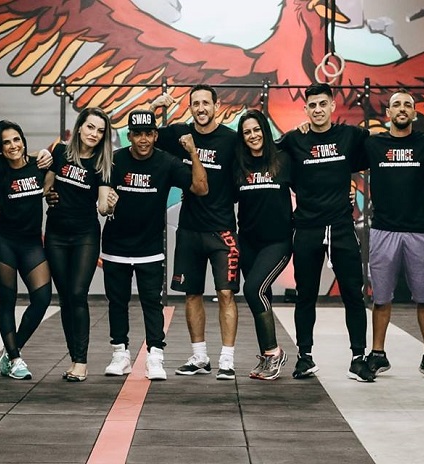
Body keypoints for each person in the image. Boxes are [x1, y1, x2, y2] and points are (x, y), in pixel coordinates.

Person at [278, 83, 375, 382]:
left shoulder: (351, 136)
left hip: (341, 227)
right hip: (307, 227)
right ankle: (304, 357)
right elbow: (262, 154)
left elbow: (385, 146)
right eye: (312, 105)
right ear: (305, 109)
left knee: (353, 296)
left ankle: (358, 358)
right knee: (305, 295)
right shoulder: (293, 140)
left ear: (333, 106)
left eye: (323, 104)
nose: (318, 110)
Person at [101, 110, 207, 381]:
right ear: (130, 135)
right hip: (116, 245)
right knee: (117, 302)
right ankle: (119, 354)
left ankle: (155, 357)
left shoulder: (167, 162)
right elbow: (94, 192)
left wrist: (194, 153)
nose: (143, 139)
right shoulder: (114, 160)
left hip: (150, 247)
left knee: (152, 303)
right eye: (138, 134)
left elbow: (200, 187)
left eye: (148, 133)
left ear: (155, 135)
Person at [149, 84, 240, 380]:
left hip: (222, 230)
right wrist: (153, 107)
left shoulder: (230, 140)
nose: (201, 108)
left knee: (226, 293)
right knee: (191, 294)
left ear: (216, 105)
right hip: (189, 230)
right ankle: (199, 356)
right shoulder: (180, 135)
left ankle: (227, 359)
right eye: (195, 103)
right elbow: (143, 135)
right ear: (190, 107)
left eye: (205, 103)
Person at [362, 90, 424, 379]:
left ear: (415, 113)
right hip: (384, 230)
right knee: (381, 298)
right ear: (388, 113)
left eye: (408, 104)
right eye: (396, 104)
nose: (402, 109)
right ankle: (378, 354)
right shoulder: (373, 144)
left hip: (420, 231)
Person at [44, 107, 114, 382]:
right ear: (79, 127)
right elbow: (46, 186)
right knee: (64, 298)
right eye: (90, 127)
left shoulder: (102, 164)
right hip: (56, 234)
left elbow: (102, 207)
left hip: (85, 234)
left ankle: (81, 362)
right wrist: (47, 191)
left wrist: (108, 205)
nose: (94, 134)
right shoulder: (60, 153)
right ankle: (73, 357)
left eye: (100, 130)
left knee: (77, 294)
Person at [0, 120, 52, 380]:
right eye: (6, 142)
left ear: (23, 140)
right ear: (0, 149)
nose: (13, 145)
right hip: (4, 242)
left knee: (42, 298)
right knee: (8, 300)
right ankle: (15, 359)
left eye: (16, 139)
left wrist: (43, 154)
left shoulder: (38, 166)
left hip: (31, 243)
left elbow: (57, 165)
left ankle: (11, 350)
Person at [233, 110, 292, 380]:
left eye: (256, 130)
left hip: (277, 242)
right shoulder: (239, 165)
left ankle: (274, 353)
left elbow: (310, 186)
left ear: (264, 131)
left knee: (253, 289)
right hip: (248, 242)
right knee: (260, 295)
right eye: (247, 132)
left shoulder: (282, 160)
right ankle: (268, 356)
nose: (253, 135)